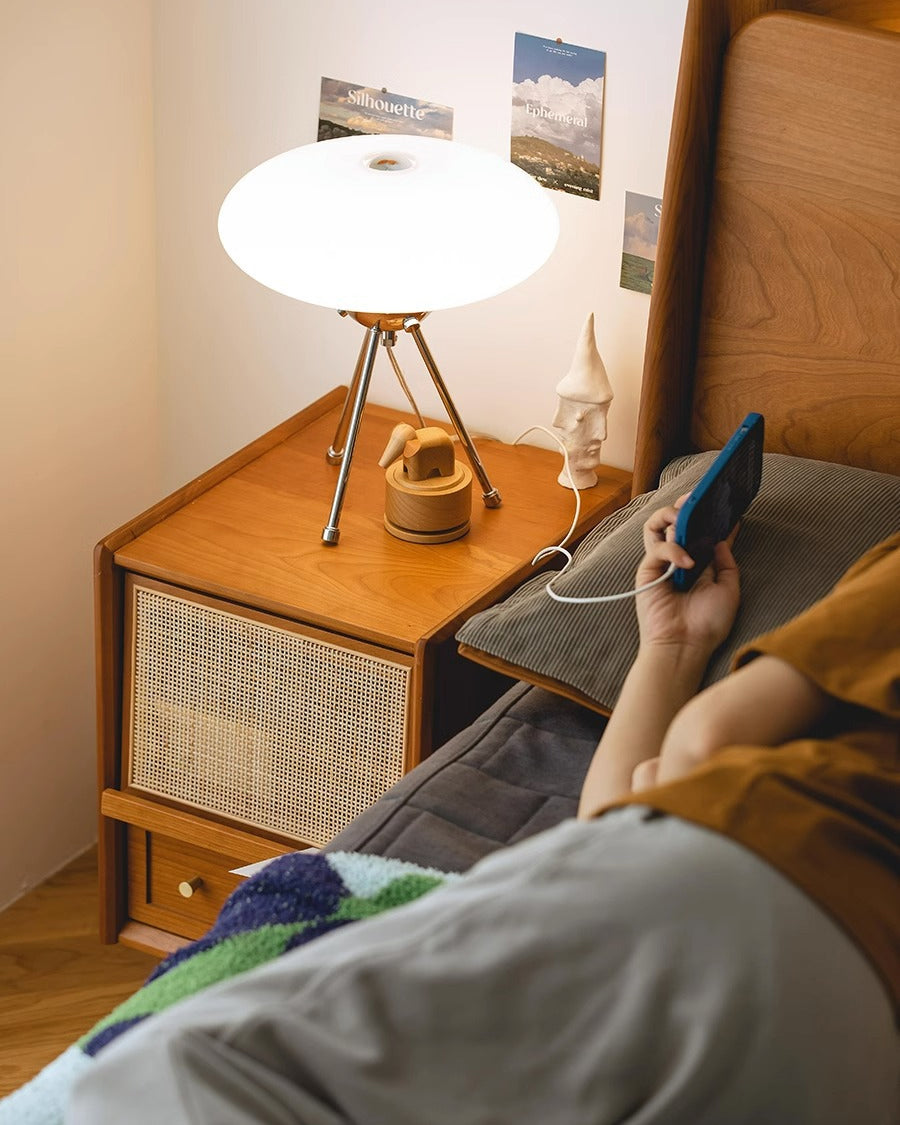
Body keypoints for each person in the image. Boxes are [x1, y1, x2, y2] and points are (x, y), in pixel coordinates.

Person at [67, 511, 899, 1125]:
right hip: (859, 1057)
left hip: (742, 885)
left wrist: (678, 686)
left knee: (190, 1076)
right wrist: (674, 645)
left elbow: (694, 751)